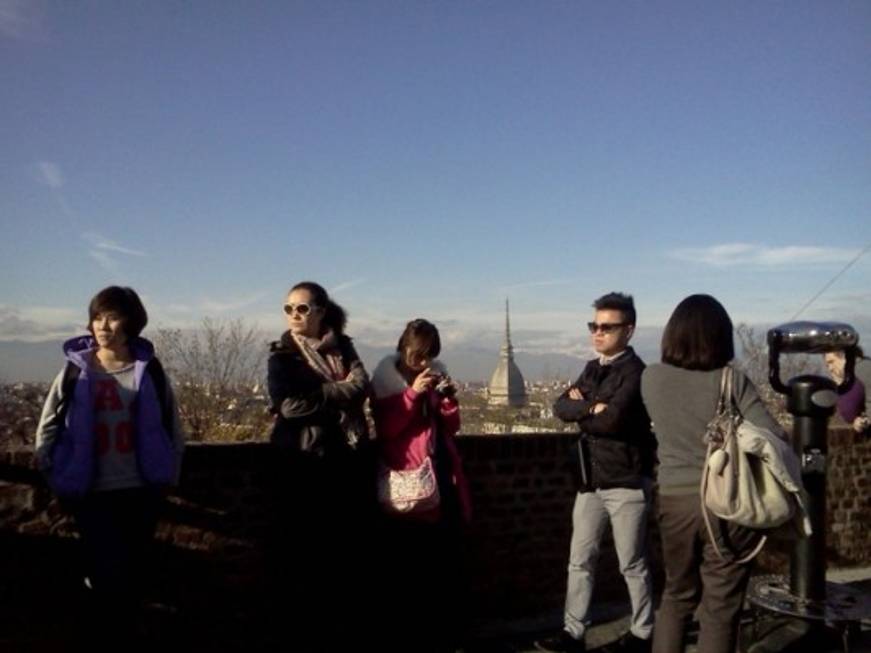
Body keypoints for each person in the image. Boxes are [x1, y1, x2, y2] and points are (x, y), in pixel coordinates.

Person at [34, 286, 185, 647]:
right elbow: (50, 421)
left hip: (140, 486)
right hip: (92, 489)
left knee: (134, 568)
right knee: (105, 568)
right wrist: (49, 465)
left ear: (130, 322)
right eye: (97, 317)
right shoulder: (77, 370)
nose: (103, 325)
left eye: (112, 316)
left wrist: (171, 471)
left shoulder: (148, 370)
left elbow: (171, 423)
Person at [641, 294, 785, 653]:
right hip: (725, 503)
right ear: (720, 337)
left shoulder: (651, 378)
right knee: (720, 609)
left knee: (676, 596)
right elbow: (773, 438)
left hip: (673, 501)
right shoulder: (730, 380)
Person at [536, 293, 656, 653]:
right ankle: (574, 632)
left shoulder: (638, 374)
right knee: (580, 560)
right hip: (589, 481)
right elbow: (561, 406)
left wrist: (583, 407)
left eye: (607, 326)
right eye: (594, 325)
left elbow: (613, 419)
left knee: (632, 563)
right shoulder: (592, 369)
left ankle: (643, 633)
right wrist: (592, 406)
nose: (597, 333)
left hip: (626, 481)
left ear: (629, 330)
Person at [265, 280, 373, 649]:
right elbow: (290, 408)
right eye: (288, 308)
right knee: (303, 554)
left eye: (302, 308)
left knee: (341, 555)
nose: (295, 315)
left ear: (321, 312)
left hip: (345, 462)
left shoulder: (343, 347)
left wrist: (319, 396)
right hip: (303, 464)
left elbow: (363, 386)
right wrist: (335, 393)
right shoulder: (283, 356)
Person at [370, 318, 472, 652]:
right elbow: (387, 429)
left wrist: (447, 400)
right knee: (408, 572)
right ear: (403, 349)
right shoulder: (386, 382)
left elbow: (451, 427)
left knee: (442, 570)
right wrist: (413, 394)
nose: (424, 363)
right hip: (407, 482)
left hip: (442, 477)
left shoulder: (435, 375)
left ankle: (443, 635)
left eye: (430, 356)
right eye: (418, 356)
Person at [824, 347, 870, 433]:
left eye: (831, 362)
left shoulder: (864, 368)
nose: (830, 368)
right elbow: (848, 416)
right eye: (827, 365)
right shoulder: (849, 378)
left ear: (844, 357)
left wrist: (863, 421)